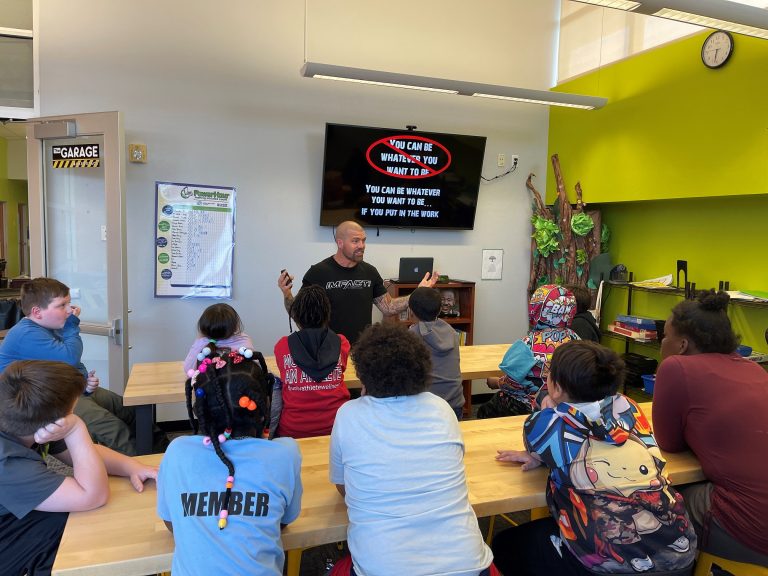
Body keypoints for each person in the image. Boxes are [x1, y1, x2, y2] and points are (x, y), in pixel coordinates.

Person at [493, 340, 696, 576]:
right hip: (681, 557)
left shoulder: (547, 424)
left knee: (504, 545)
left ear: (556, 387)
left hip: (606, 567)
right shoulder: (631, 408)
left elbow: (538, 441)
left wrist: (547, 407)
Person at [329, 323, 495, 576]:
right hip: (469, 565)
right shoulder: (442, 409)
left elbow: (344, 488)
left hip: (382, 568)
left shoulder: (348, 415)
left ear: (364, 374)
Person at [0, 360, 157, 576]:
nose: (76, 413)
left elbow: (84, 454)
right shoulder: (8, 464)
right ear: (55, 421)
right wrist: (76, 429)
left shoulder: (23, 420)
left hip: (12, 509)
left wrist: (131, 466)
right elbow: (94, 496)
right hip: (6, 533)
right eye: (74, 409)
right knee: (67, 533)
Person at [158, 347, 303, 576]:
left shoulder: (177, 452)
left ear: (200, 408)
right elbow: (284, 521)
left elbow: (171, 523)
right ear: (264, 403)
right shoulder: (285, 454)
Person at [653, 289, 768, 567]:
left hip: (750, 526)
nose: (661, 343)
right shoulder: (754, 369)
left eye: (664, 336)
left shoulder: (676, 367)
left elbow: (669, 444)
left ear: (682, 344)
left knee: (654, 503)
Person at [0, 277, 159, 456]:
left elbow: (67, 365)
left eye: (69, 303)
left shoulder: (48, 327)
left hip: (64, 391)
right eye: (62, 305)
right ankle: (143, 466)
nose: (70, 310)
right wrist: (71, 325)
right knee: (114, 430)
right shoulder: (26, 334)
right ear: (37, 312)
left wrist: (84, 382)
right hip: (42, 402)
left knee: (133, 412)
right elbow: (70, 358)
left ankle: (164, 457)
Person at [277, 220, 439, 344]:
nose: (362, 246)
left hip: (362, 351)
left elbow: (389, 307)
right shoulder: (319, 272)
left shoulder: (369, 272)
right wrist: (287, 294)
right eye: (355, 241)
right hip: (328, 352)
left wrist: (417, 294)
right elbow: (299, 315)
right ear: (340, 243)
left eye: (363, 240)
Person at [478, 284, 579, 418]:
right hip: (565, 406)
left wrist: (496, 382)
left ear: (536, 309)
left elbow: (512, 383)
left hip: (527, 406)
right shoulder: (576, 340)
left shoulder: (528, 343)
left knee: (485, 411)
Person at [271, 284, 350, 438]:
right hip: (337, 429)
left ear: (296, 316)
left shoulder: (282, 346)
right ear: (327, 314)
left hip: (293, 431)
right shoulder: (342, 343)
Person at [408, 286, 464, 419]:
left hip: (427, 408)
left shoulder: (411, 336)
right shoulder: (451, 331)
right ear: (439, 310)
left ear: (410, 311)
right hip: (455, 405)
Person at [183, 302, 254, 376]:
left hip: (209, 382)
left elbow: (188, 369)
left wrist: (200, 338)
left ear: (203, 327)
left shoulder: (201, 343)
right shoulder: (243, 339)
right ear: (235, 326)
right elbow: (254, 366)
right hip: (239, 382)